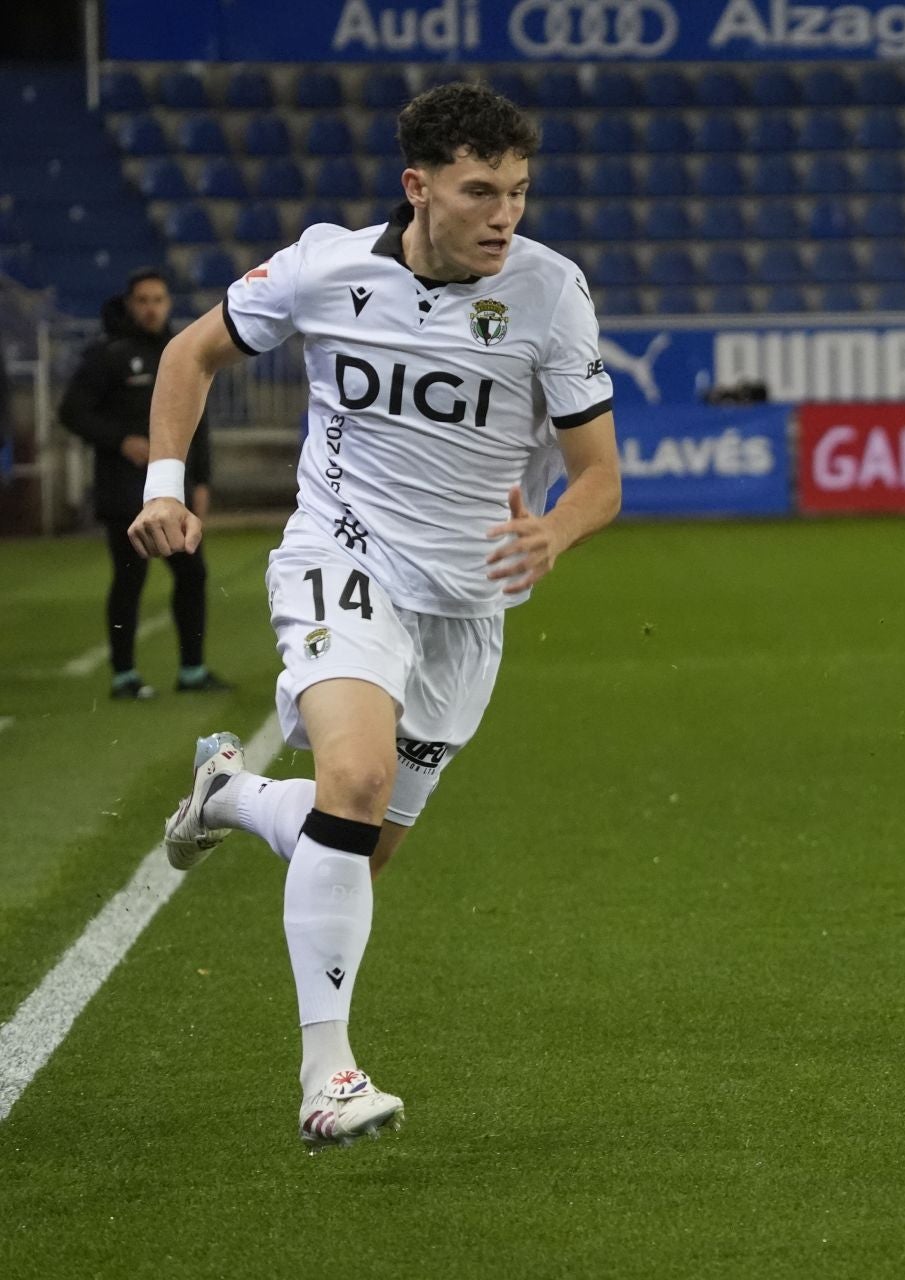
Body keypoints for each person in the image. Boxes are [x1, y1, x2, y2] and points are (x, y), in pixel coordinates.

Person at [126, 83, 621, 1148]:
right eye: (480, 190)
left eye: (520, 192)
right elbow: (190, 354)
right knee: (353, 781)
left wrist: (556, 533)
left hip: (467, 606)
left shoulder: (551, 293)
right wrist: (163, 483)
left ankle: (233, 792)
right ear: (419, 185)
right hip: (339, 555)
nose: (505, 215)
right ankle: (329, 1075)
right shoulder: (322, 266)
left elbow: (600, 478)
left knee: (354, 844)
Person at [58, 269, 228, 699]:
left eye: (158, 299)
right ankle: (124, 675)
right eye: (143, 300)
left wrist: (202, 481)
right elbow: (72, 411)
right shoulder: (107, 355)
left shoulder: (182, 351)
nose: (151, 308)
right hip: (123, 491)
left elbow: (198, 422)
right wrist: (121, 440)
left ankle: (192, 669)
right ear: (129, 304)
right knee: (129, 579)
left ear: (169, 304)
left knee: (193, 574)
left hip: (175, 495)